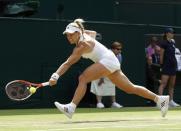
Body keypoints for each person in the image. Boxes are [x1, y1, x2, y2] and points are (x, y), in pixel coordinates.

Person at [49, 18, 169, 119]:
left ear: (78, 33)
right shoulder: (84, 35)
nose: (68, 37)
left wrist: (56, 75)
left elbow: (68, 63)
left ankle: (71, 108)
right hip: (110, 60)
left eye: (71, 34)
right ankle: (160, 99)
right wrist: (82, 31)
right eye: (67, 35)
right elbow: (94, 33)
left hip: (107, 60)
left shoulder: (82, 45)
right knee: (130, 88)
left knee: (83, 78)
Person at [90, 41, 123, 108]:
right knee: (98, 82)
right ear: (113, 49)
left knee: (113, 82)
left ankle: (113, 103)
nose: (120, 51)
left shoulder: (119, 56)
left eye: (120, 49)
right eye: (118, 49)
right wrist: (102, 78)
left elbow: (118, 66)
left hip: (110, 71)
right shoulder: (107, 54)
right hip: (98, 71)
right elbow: (102, 66)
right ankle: (99, 103)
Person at [158, 27, 180, 107]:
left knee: (172, 85)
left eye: (173, 33)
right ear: (167, 33)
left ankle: (171, 101)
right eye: (171, 32)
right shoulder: (164, 43)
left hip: (173, 66)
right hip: (166, 66)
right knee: (163, 84)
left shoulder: (173, 43)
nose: (172, 34)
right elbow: (161, 55)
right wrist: (161, 65)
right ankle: (160, 102)